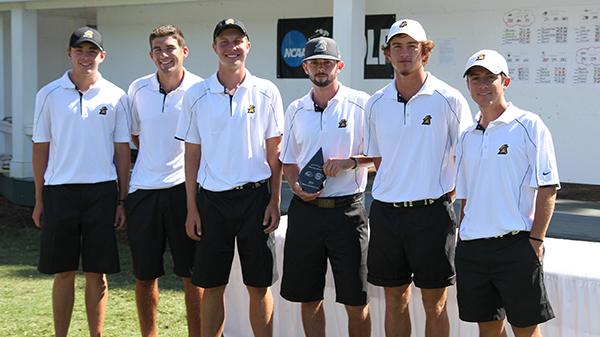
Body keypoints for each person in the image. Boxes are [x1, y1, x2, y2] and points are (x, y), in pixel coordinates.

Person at [175, 18, 284, 337]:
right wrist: (192, 208)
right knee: (212, 285)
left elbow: (274, 154)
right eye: (224, 41)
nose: (231, 47)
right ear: (214, 48)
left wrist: (275, 201)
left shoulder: (266, 91)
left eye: (237, 41)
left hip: (255, 199)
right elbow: (191, 155)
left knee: (258, 285)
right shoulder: (196, 94)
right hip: (212, 201)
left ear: (247, 46)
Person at [364, 19, 472, 337]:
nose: (404, 53)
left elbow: (464, 158)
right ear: (387, 54)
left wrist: (443, 196)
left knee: (434, 303)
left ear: (424, 53)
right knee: (394, 299)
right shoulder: (375, 103)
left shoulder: (449, 99)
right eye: (397, 46)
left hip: (431, 214)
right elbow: (378, 158)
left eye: (412, 46)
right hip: (386, 214)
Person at [31, 26, 130, 337]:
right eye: (79, 50)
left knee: (96, 273)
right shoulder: (47, 94)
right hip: (59, 192)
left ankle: (95, 335)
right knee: (63, 273)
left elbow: (122, 151)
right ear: (69, 54)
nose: (85, 57)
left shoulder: (117, 96)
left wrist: (121, 200)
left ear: (102, 56)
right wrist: (39, 199)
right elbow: (40, 147)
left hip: (101, 193)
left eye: (92, 51)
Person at [455, 49, 558, 337]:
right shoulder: (466, 136)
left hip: (515, 247)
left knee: (525, 330)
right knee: (488, 330)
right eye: (475, 78)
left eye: (490, 78)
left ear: (506, 81)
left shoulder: (529, 125)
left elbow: (548, 187)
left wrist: (536, 240)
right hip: (473, 248)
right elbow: (467, 195)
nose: (482, 85)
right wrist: (464, 235)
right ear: (468, 84)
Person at [280, 36, 371, 337]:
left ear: (339, 66)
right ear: (305, 67)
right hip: (306, 212)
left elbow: (379, 156)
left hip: (347, 212)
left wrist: (350, 163)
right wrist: (295, 185)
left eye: (327, 63)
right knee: (309, 296)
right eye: (315, 63)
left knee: (356, 299)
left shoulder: (361, 103)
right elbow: (288, 160)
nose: (321, 68)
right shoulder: (295, 108)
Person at [126, 24, 203, 337]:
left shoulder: (200, 90)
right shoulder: (137, 89)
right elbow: (135, 136)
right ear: (150, 55)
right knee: (145, 277)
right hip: (143, 192)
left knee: (193, 276)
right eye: (157, 50)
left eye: (170, 48)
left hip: (185, 194)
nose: (164, 55)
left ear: (184, 52)